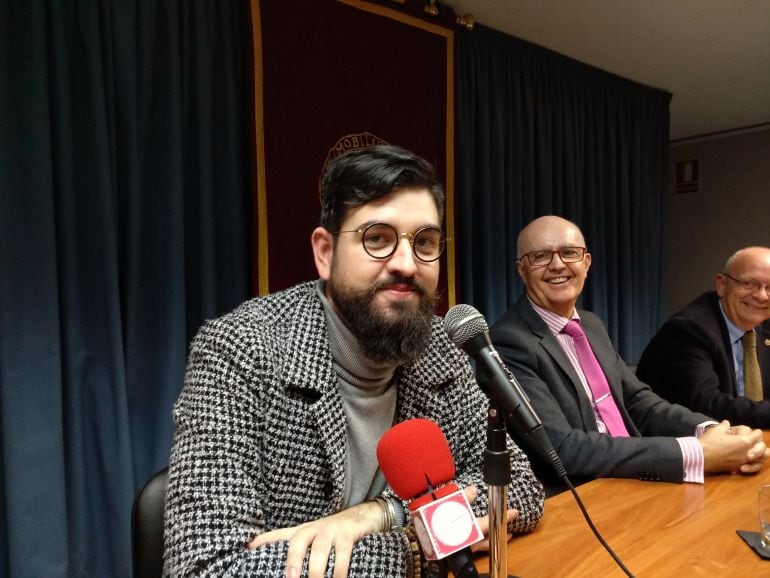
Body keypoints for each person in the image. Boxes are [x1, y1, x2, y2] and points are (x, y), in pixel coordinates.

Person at [163, 145, 544, 577]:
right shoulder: (240, 348)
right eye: (377, 238)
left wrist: (381, 514)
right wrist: (417, 548)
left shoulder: (440, 344)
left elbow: (519, 491)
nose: (406, 263)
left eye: (425, 242)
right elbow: (206, 567)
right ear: (325, 253)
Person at [485, 215, 769, 496]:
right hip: (582, 496)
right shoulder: (509, 341)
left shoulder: (591, 324)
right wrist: (696, 452)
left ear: (586, 263)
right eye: (540, 256)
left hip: (635, 477)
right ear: (521, 270)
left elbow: (639, 402)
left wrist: (713, 431)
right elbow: (562, 448)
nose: (557, 265)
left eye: (569, 253)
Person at [637, 247, 770, 428]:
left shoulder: (764, 327)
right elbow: (706, 405)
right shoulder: (689, 330)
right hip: (683, 444)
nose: (762, 296)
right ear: (722, 285)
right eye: (748, 284)